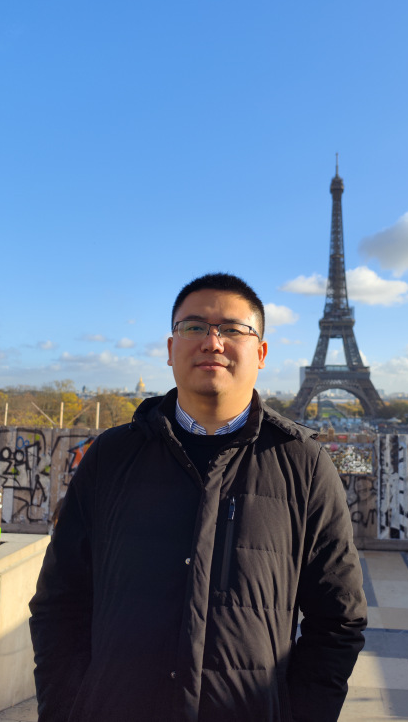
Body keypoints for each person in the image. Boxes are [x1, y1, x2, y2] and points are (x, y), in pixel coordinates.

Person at [29, 272, 367, 722]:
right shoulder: (109, 456)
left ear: (261, 352)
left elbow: (338, 620)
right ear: (171, 349)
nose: (213, 342)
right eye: (194, 327)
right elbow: (60, 604)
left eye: (233, 329)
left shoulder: (305, 465)